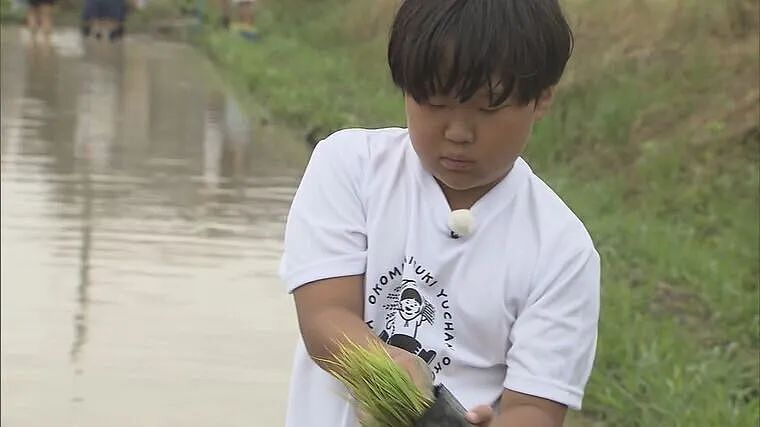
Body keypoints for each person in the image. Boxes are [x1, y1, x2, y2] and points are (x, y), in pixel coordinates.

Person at [278, 1, 601, 426]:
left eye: (487, 109)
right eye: (434, 102)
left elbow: (534, 408)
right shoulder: (350, 167)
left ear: (541, 99)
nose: (458, 132)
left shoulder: (562, 251)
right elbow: (325, 317)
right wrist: (399, 384)